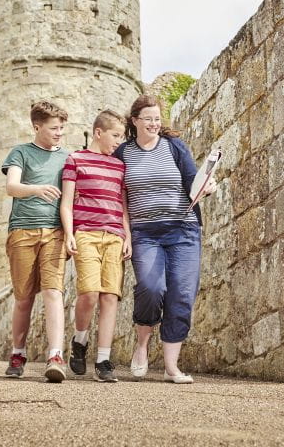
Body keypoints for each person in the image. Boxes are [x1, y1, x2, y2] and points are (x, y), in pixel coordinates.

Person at [113, 95, 213, 384]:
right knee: (150, 287)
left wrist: (208, 187)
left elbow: (195, 183)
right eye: (148, 119)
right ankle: (142, 345)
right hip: (145, 233)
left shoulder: (174, 148)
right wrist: (125, 234)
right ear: (135, 121)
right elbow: (120, 199)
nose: (154, 124)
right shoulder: (123, 154)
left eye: (158, 119)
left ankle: (172, 368)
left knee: (182, 293)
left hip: (184, 230)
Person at [1, 101, 70, 382]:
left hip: (54, 232)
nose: (59, 133)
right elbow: (11, 187)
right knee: (24, 298)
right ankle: (18, 353)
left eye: (62, 128)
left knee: (54, 292)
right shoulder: (20, 152)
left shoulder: (68, 157)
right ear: (37, 126)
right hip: (23, 232)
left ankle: (56, 355)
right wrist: (37, 189)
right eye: (54, 128)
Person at [61, 110, 132, 383]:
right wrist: (70, 234)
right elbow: (66, 203)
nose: (119, 141)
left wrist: (128, 236)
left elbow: (122, 205)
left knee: (110, 297)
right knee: (89, 293)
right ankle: (80, 341)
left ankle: (103, 359)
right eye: (116, 135)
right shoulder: (75, 160)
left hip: (114, 236)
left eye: (122, 136)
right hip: (86, 234)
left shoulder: (119, 166)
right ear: (98, 132)